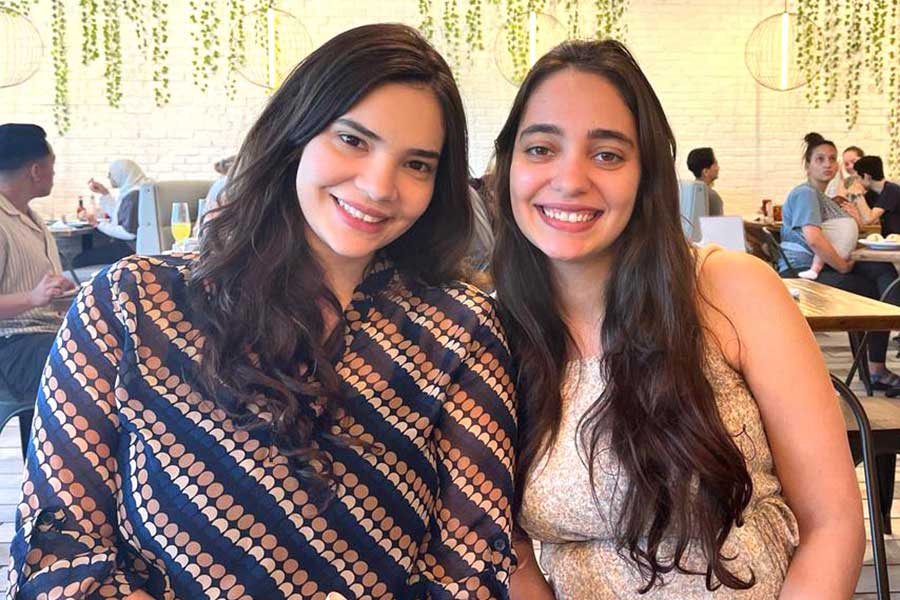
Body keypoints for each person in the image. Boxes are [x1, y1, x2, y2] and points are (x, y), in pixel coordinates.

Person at [9, 23, 517, 600]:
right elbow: (59, 549)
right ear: (294, 135)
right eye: (353, 140)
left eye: (417, 164)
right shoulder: (130, 304)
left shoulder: (460, 329)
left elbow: (471, 567)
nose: (380, 186)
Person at [492, 42, 863, 598]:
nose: (569, 179)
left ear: (647, 174)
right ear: (508, 166)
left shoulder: (730, 289)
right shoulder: (496, 329)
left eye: (607, 155)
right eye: (541, 148)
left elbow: (832, 523)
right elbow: (511, 554)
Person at [781, 133, 900, 390]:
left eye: (832, 159)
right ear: (808, 165)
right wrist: (842, 265)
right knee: (873, 291)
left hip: (820, 266)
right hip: (802, 272)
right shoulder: (806, 194)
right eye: (820, 159)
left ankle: (877, 362)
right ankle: (876, 367)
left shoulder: (822, 196)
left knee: (883, 273)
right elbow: (814, 239)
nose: (828, 164)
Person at [0, 123, 75, 406]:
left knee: (122, 346)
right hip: (11, 346)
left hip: (45, 334)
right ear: (35, 170)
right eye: (52, 166)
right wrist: (32, 298)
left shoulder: (32, 218)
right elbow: (34, 297)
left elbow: (41, 293)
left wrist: (62, 295)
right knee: (93, 364)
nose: (54, 174)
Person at [73, 159, 152, 267]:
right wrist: (104, 193)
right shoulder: (137, 190)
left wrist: (97, 224)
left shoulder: (133, 196)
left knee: (78, 260)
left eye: (111, 174)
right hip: (133, 247)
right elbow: (119, 216)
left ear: (120, 174)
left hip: (130, 249)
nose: (109, 177)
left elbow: (128, 233)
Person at [850, 155, 900, 236]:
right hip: (888, 239)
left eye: (857, 178)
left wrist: (858, 194)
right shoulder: (871, 194)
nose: (856, 182)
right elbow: (865, 222)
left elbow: (869, 219)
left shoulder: (892, 190)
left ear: (866, 176)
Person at [686, 146, 723, 215]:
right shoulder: (712, 196)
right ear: (705, 172)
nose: (718, 168)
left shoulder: (688, 193)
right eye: (715, 164)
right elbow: (719, 221)